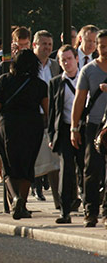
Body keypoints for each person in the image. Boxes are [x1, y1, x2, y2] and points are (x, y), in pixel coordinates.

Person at [0, 49, 48, 220]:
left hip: (8, 125)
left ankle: (15, 199)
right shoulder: (39, 84)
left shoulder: (4, 80)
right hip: (32, 126)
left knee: (9, 166)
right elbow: (47, 110)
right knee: (27, 166)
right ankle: (21, 204)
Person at [70, 29, 107, 228]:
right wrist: (74, 128)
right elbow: (79, 100)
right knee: (91, 169)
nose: (105, 50)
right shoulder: (89, 70)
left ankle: (106, 211)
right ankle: (90, 211)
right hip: (94, 125)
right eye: (102, 46)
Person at [48, 45, 82, 224]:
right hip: (64, 131)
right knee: (66, 170)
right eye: (63, 60)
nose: (67, 63)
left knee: (87, 169)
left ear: (77, 59)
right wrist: (51, 136)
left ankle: (89, 207)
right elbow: (52, 112)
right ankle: (65, 210)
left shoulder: (85, 79)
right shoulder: (55, 83)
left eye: (69, 59)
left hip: (84, 130)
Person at [31, 30, 62, 204]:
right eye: (44, 44)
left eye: (50, 44)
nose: (47, 48)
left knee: (54, 160)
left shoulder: (54, 66)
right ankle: (20, 199)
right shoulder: (28, 66)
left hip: (50, 118)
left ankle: (59, 201)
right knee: (31, 159)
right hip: (32, 117)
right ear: (35, 45)